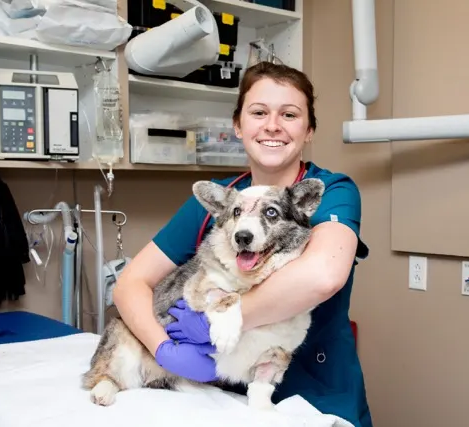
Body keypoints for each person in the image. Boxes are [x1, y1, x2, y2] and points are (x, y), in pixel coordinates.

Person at [112, 61, 373, 427]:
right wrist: (164, 350)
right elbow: (130, 283)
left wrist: (222, 320)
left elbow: (322, 276)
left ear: (309, 129)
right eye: (259, 112)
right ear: (238, 125)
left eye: (290, 114)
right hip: (228, 397)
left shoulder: (330, 191)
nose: (272, 125)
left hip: (317, 393)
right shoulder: (220, 202)